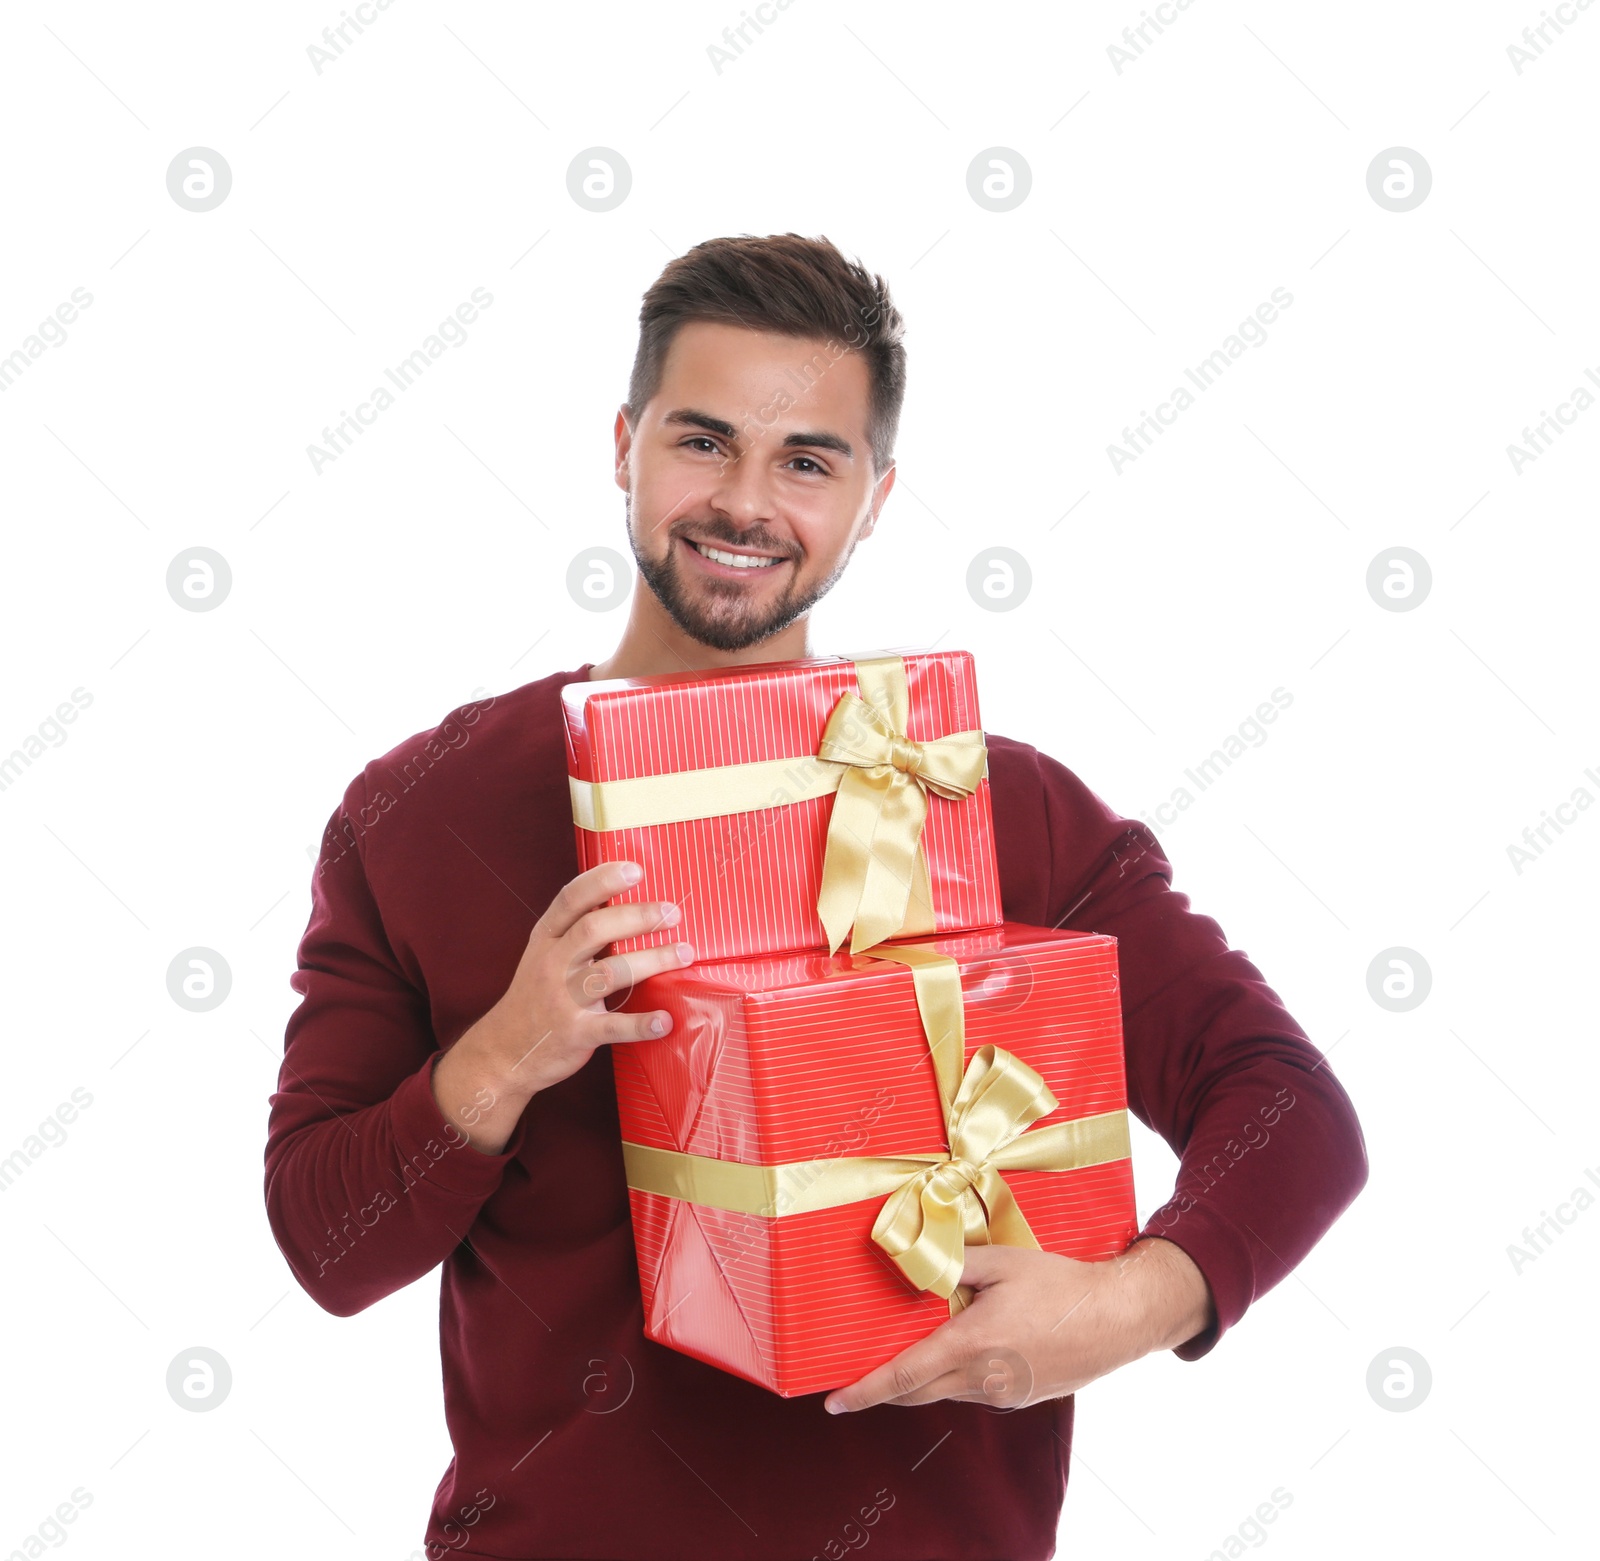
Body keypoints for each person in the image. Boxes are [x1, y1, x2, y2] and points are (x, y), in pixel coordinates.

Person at [264, 233, 1368, 1561]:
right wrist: (502, 1055)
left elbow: (1290, 1106)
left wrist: (1128, 1303)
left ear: (875, 496)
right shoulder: (423, 811)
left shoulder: (988, 803)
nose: (744, 502)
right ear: (622, 443)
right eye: (701, 440)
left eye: (807, 461)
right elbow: (325, 1246)